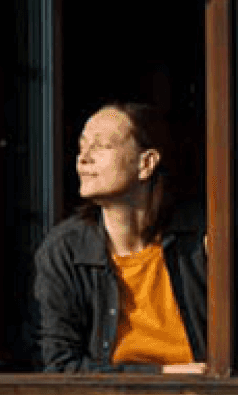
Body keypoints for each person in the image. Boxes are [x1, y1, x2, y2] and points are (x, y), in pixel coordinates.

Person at [32, 101, 208, 374]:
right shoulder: (64, 250)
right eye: (81, 146)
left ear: (146, 163)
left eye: (101, 146)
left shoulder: (201, 240)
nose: (83, 158)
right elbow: (60, 367)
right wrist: (161, 375)